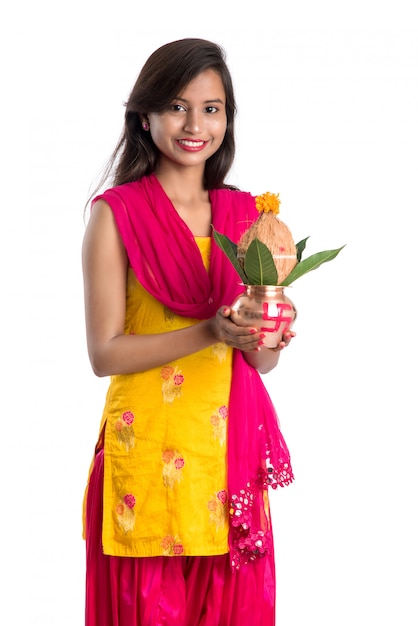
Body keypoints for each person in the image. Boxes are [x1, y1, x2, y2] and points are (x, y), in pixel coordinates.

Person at [81, 37, 295, 626]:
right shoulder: (115, 214)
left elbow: (262, 363)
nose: (195, 124)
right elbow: (105, 353)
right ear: (145, 116)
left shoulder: (248, 215)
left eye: (212, 108)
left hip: (226, 458)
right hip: (147, 453)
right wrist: (213, 331)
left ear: (227, 118)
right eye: (177, 106)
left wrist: (269, 328)